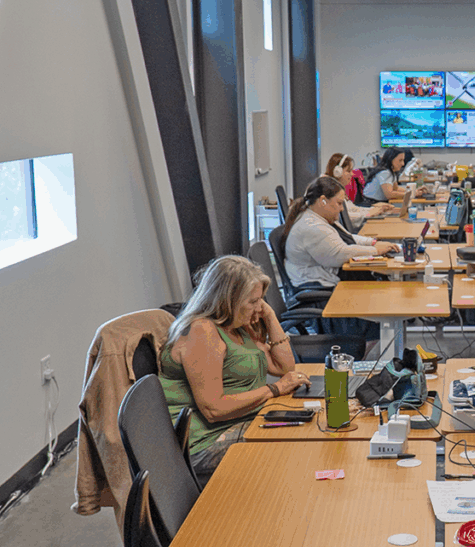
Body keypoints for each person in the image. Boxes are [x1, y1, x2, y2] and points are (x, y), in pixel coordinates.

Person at [159, 256, 313, 486]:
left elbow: (284, 367)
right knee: (291, 449)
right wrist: (274, 389)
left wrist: (269, 315)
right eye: (253, 301)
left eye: (261, 300)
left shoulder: (238, 326)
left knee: (305, 433)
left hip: (239, 421)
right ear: (228, 300)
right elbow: (213, 408)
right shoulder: (203, 332)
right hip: (203, 441)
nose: (259, 307)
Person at [282, 176, 399, 338]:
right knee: (378, 310)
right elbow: (340, 254)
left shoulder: (319, 218)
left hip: (325, 283)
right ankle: (369, 351)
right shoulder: (313, 227)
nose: (342, 208)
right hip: (319, 291)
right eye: (338, 203)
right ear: (323, 201)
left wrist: (372, 243)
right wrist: (375, 251)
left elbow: (346, 238)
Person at [323, 152, 395, 228]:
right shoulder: (329, 191)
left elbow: (353, 209)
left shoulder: (337, 188)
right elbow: (347, 218)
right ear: (337, 172)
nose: (352, 174)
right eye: (348, 171)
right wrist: (371, 213)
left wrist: (375, 209)